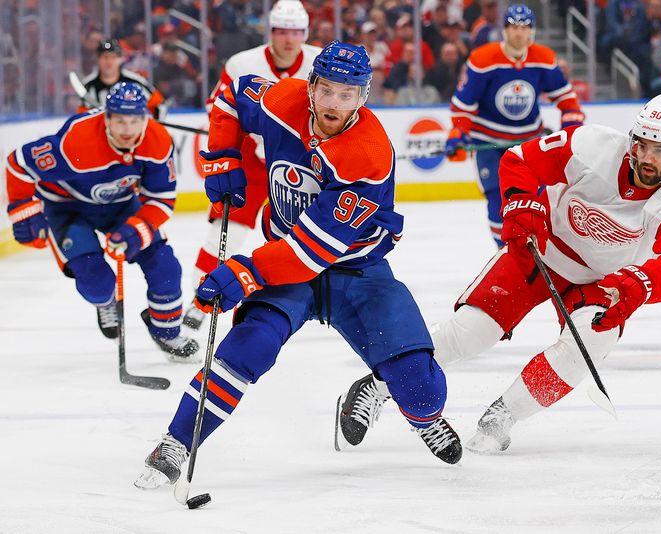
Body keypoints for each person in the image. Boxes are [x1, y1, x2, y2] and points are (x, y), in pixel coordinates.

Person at [134, 41, 463, 491]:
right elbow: (230, 95)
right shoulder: (283, 99)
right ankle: (177, 442)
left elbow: (313, 251)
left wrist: (245, 270)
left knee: (422, 388)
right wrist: (223, 155)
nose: (334, 104)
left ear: (363, 97)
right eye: (327, 90)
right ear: (311, 86)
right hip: (286, 260)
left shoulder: (367, 153)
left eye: (348, 94)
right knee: (248, 347)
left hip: (355, 268)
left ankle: (399, 401)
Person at [335, 94, 661, 455]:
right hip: (540, 251)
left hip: (602, 282)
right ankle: (378, 386)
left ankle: (503, 416)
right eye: (642, 144)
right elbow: (520, 160)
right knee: (471, 332)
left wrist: (638, 284)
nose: (646, 157)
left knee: (587, 345)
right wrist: (522, 206)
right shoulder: (591, 144)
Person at [5, 82, 199, 360]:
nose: (128, 130)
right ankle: (105, 301)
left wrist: (134, 232)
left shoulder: (156, 140)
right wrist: (25, 211)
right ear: (105, 117)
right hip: (67, 207)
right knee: (97, 283)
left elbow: (161, 199)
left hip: (120, 205)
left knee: (165, 268)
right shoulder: (77, 141)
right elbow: (19, 164)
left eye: (135, 120)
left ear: (146, 117)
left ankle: (166, 332)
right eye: (119, 120)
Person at [184, 0, 323, 331]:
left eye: (296, 32)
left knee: (312, 232)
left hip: (297, 159)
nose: (289, 39)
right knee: (227, 228)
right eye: (281, 31)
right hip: (250, 159)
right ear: (271, 32)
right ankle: (199, 300)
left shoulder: (319, 62)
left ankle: (324, 299)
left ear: (304, 33)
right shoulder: (242, 63)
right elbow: (219, 107)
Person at [447, 4, 584, 247]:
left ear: (531, 31)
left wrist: (571, 126)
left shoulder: (543, 58)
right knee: (496, 200)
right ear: (505, 30)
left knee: (536, 199)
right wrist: (458, 133)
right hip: (488, 143)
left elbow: (566, 98)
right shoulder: (483, 59)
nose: (519, 33)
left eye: (524, 27)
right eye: (513, 27)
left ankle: (537, 253)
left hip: (528, 143)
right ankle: (505, 254)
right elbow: (463, 104)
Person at [79, 38, 167, 120]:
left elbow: (159, 105)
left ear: (120, 59)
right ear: (98, 59)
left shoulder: (136, 82)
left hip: (131, 133)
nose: (109, 61)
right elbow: (82, 116)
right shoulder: (88, 85)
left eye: (113, 57)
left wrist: (154, 126)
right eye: (105, 57)